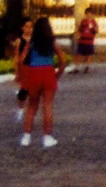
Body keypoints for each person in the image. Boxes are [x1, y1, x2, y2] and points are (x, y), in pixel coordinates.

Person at [17, 16, 68, 148]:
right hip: (48, 72)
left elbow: (21, 60)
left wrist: (25, 74)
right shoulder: (52, 43)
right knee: (47, 106)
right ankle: (47, 137)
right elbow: (63, 61)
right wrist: (57, 75)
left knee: (32, 106)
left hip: (34, 73)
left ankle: (26, 136)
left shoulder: (31, 43)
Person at [7, 17, 32, 121]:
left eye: (31, 26)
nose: (29, 29)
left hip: (33, 67)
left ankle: (30, 111)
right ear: (22, 28)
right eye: (27, 26)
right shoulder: (19, 40)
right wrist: (16, 71)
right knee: (24, 90)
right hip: (24, 67)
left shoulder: (35, 39)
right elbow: (17, 56)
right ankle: (21, 109)